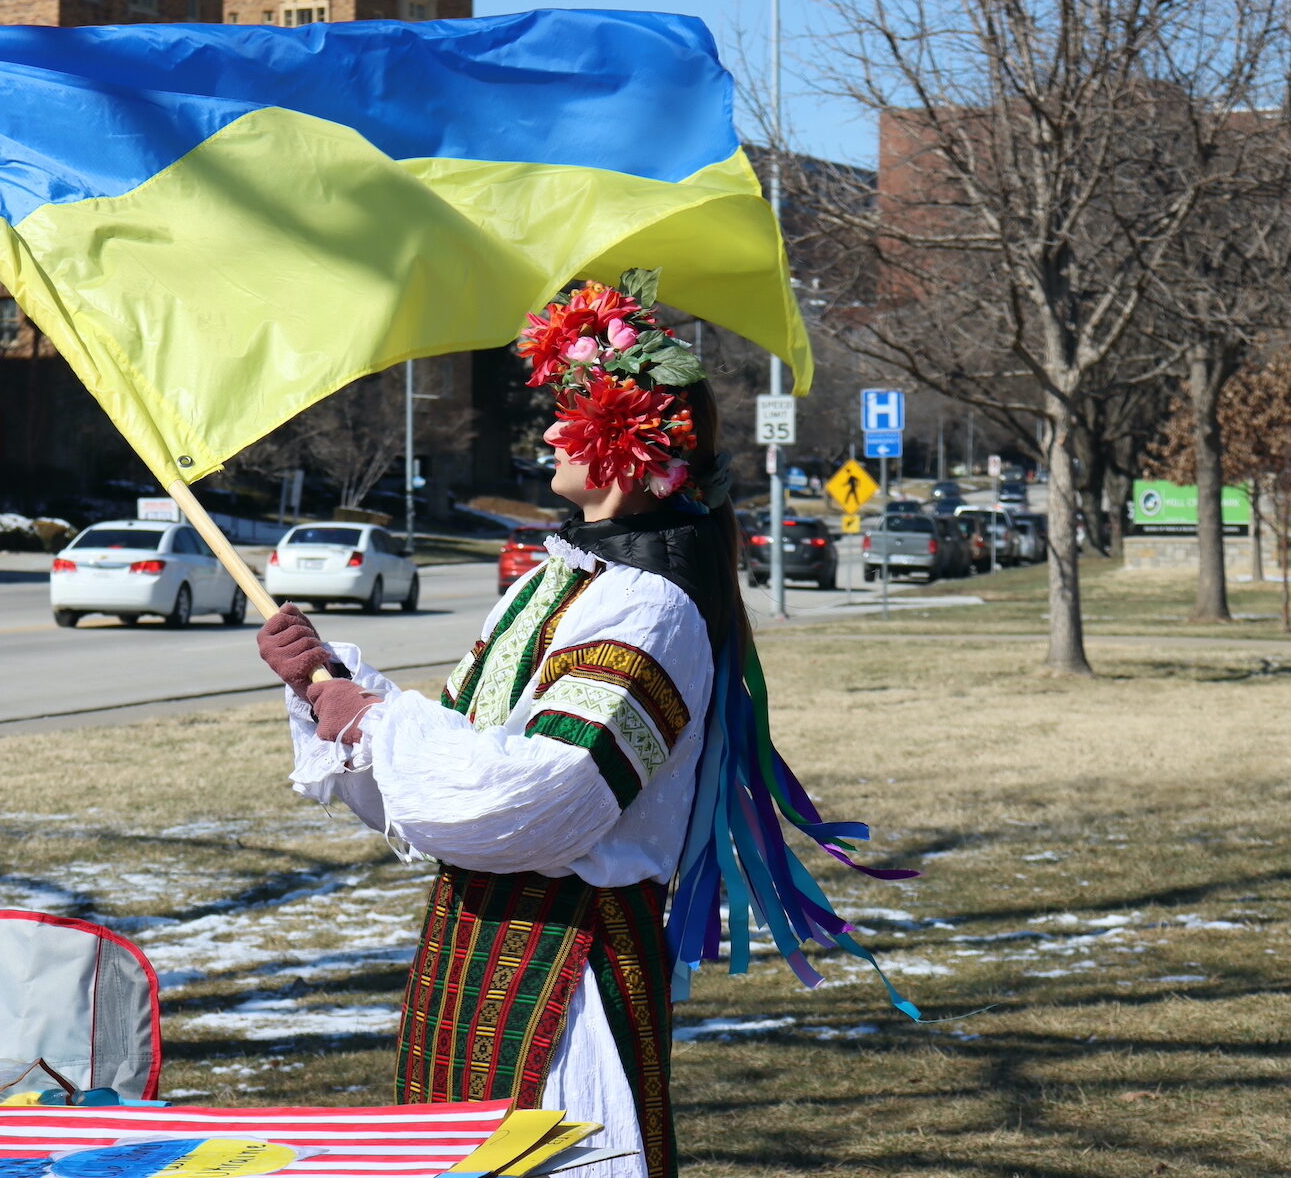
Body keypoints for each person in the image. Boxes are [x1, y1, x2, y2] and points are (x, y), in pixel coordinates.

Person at [258, 275, 915, 1178]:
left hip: (567, 959)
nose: (552, 432)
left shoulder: (651, 608)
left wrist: (371, 721)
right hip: (472, 943)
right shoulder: (552, 583)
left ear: (624, 438)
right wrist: (331, 692)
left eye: (572, 412)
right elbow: (445, 770)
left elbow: (548, 796)